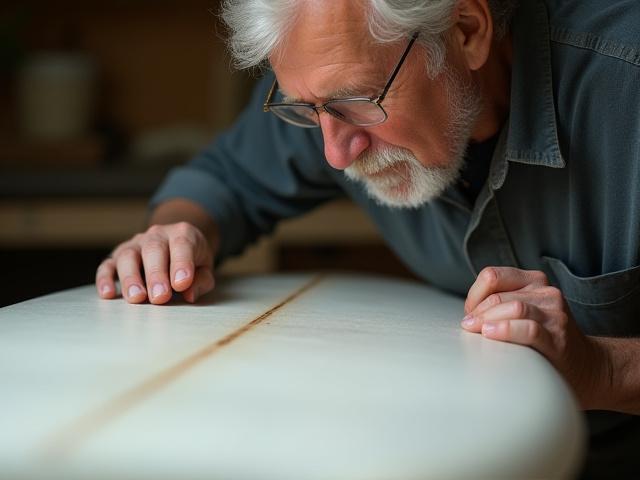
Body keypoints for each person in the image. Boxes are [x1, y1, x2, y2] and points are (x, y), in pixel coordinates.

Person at [95, 0, 640, 476]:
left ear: (467, 30)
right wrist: (175, 232)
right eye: (309, 111)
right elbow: (224, 180)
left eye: (357, 103)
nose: (335, 153)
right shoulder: (328, 80)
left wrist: (603, 367)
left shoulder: (625, 83)